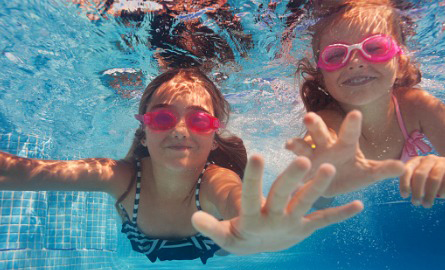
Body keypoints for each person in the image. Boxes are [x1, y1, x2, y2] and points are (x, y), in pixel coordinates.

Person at [0, 68, 363, 264]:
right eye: (161, 118)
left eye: (199, 121)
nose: (179, 130)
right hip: (160, 239)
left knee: (299, 206)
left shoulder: (214, 180)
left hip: (214, 245)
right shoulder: (122, 177)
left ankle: (325, 189)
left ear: (213, 136)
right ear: (143, 132)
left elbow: (236, 201)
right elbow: (28, 171)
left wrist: (257, 226)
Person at [286, 0, 445, 209]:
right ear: (322, 77)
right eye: (335, 55)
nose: (355, 62)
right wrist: (317, 162)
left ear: (400, 62)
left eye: (376, 47)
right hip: (337, 185)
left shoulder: (417, 106)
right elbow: (321, 137)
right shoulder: (330, 119)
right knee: (321, 198)